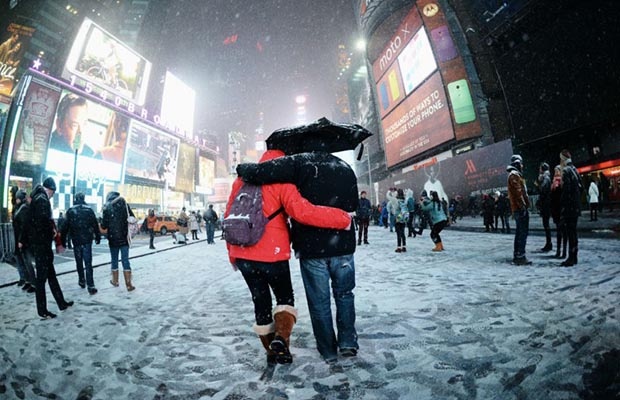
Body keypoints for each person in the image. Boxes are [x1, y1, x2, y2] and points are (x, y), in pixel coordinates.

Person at [237, 141, 360, 364]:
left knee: (314, 301)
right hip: (337, 247)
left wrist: (244, 170)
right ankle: (347, 343)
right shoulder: (344, 168)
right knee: (343, 295)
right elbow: (349, 206)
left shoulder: (296, 166)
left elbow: (231, 215)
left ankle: (327, 350)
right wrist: (342, 219)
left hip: (302, 248)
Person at [29, 177, 74, 319]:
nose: (53, 195)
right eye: (53, 193)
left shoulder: (37, 197)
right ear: (50, 189)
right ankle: (42, 310)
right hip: (42, 245)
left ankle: (61, 303)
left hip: (40, 244)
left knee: (51, 276)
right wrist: (52, 233)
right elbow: (43, 222)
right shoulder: (42, 199)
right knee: (42, 279)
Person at [60, 192, 101, 295]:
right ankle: (90, 285)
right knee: (88, 263)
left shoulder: (71, 211)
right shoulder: (89, 210)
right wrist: (97, 236)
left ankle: (82, 280)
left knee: (79, 261)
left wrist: (63, 241)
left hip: (76, 239)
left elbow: (65, 227)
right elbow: (95, 224)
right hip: (87, 239)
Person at [101, 191, 136, 291]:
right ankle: (128, 284)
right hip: (124, 237)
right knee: (125, 260)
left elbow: (104, 225)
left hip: (113, 238)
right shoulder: (124, 204)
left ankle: (115, 281)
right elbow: (132, 218)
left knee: (114, 259)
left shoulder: (106, 207)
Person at [559, 149, 582, 267]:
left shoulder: (566, 171)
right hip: (576, 206)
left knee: (570, 232)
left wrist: (563, 204)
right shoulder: (574, 169)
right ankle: (574, 256)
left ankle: (571, 258)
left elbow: (566, 191)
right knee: (574, 232)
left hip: (569, 207)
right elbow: (580, 186)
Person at [507, 155, 531, 265]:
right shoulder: (514, 176)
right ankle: (520, 255)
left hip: (518, 209)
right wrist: (523, 207)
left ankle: (518, 254)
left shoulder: (514, 175)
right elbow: (518, 193)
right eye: (521, 163)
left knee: (520, 233)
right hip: (519, 209)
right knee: (522, 233)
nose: (522, 166)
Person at [12, 189, 36, 293]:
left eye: (17, 198)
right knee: (24, 262)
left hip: (24, 241)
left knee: (28, 262)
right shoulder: (20, 208)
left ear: (19, 199)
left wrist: (21, 240)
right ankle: (28, 281)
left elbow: (24, 227)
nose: (16, 200)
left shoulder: (24, 208)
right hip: (21, 239)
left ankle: (33, 284)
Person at [550, 165, 567, 259]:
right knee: (559, 232)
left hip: (560, 209)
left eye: (557, 171)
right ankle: (558, 250)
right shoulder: (554, 182)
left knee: (563, 232)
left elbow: (559, 195)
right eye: (555, 171)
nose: (556, 173)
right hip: (556, 209)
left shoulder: (561, 182)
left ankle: (563, 251)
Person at [538, 162, 553, 252]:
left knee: (546, 225)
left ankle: (549, 243)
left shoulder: (545, 178)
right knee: (546, 225)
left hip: (546, 204)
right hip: (546, 204)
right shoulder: (546, 178)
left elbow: (543, 191)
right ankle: (548, 243)